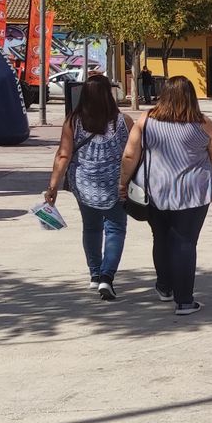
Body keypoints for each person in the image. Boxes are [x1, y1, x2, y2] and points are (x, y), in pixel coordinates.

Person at [120, 75, 212, 317]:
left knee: (161, 239)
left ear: (164, 95)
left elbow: (130, 155)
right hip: (193, 192)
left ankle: (165, 287)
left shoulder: (146, 120)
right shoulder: (203, 123)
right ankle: (184, 301)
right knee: (185, 243)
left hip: (155, 189)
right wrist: (209, 171)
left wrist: (122, 183)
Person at [44, 73, 129, 300]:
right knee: (115, 229)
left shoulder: (73, 121)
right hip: (115, 185)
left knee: (91, 228)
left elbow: (63, 155)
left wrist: (52, 187)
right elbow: (131, 155)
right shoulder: (122, 121)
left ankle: (94, 274)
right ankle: (106, 278)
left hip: (84, 183)